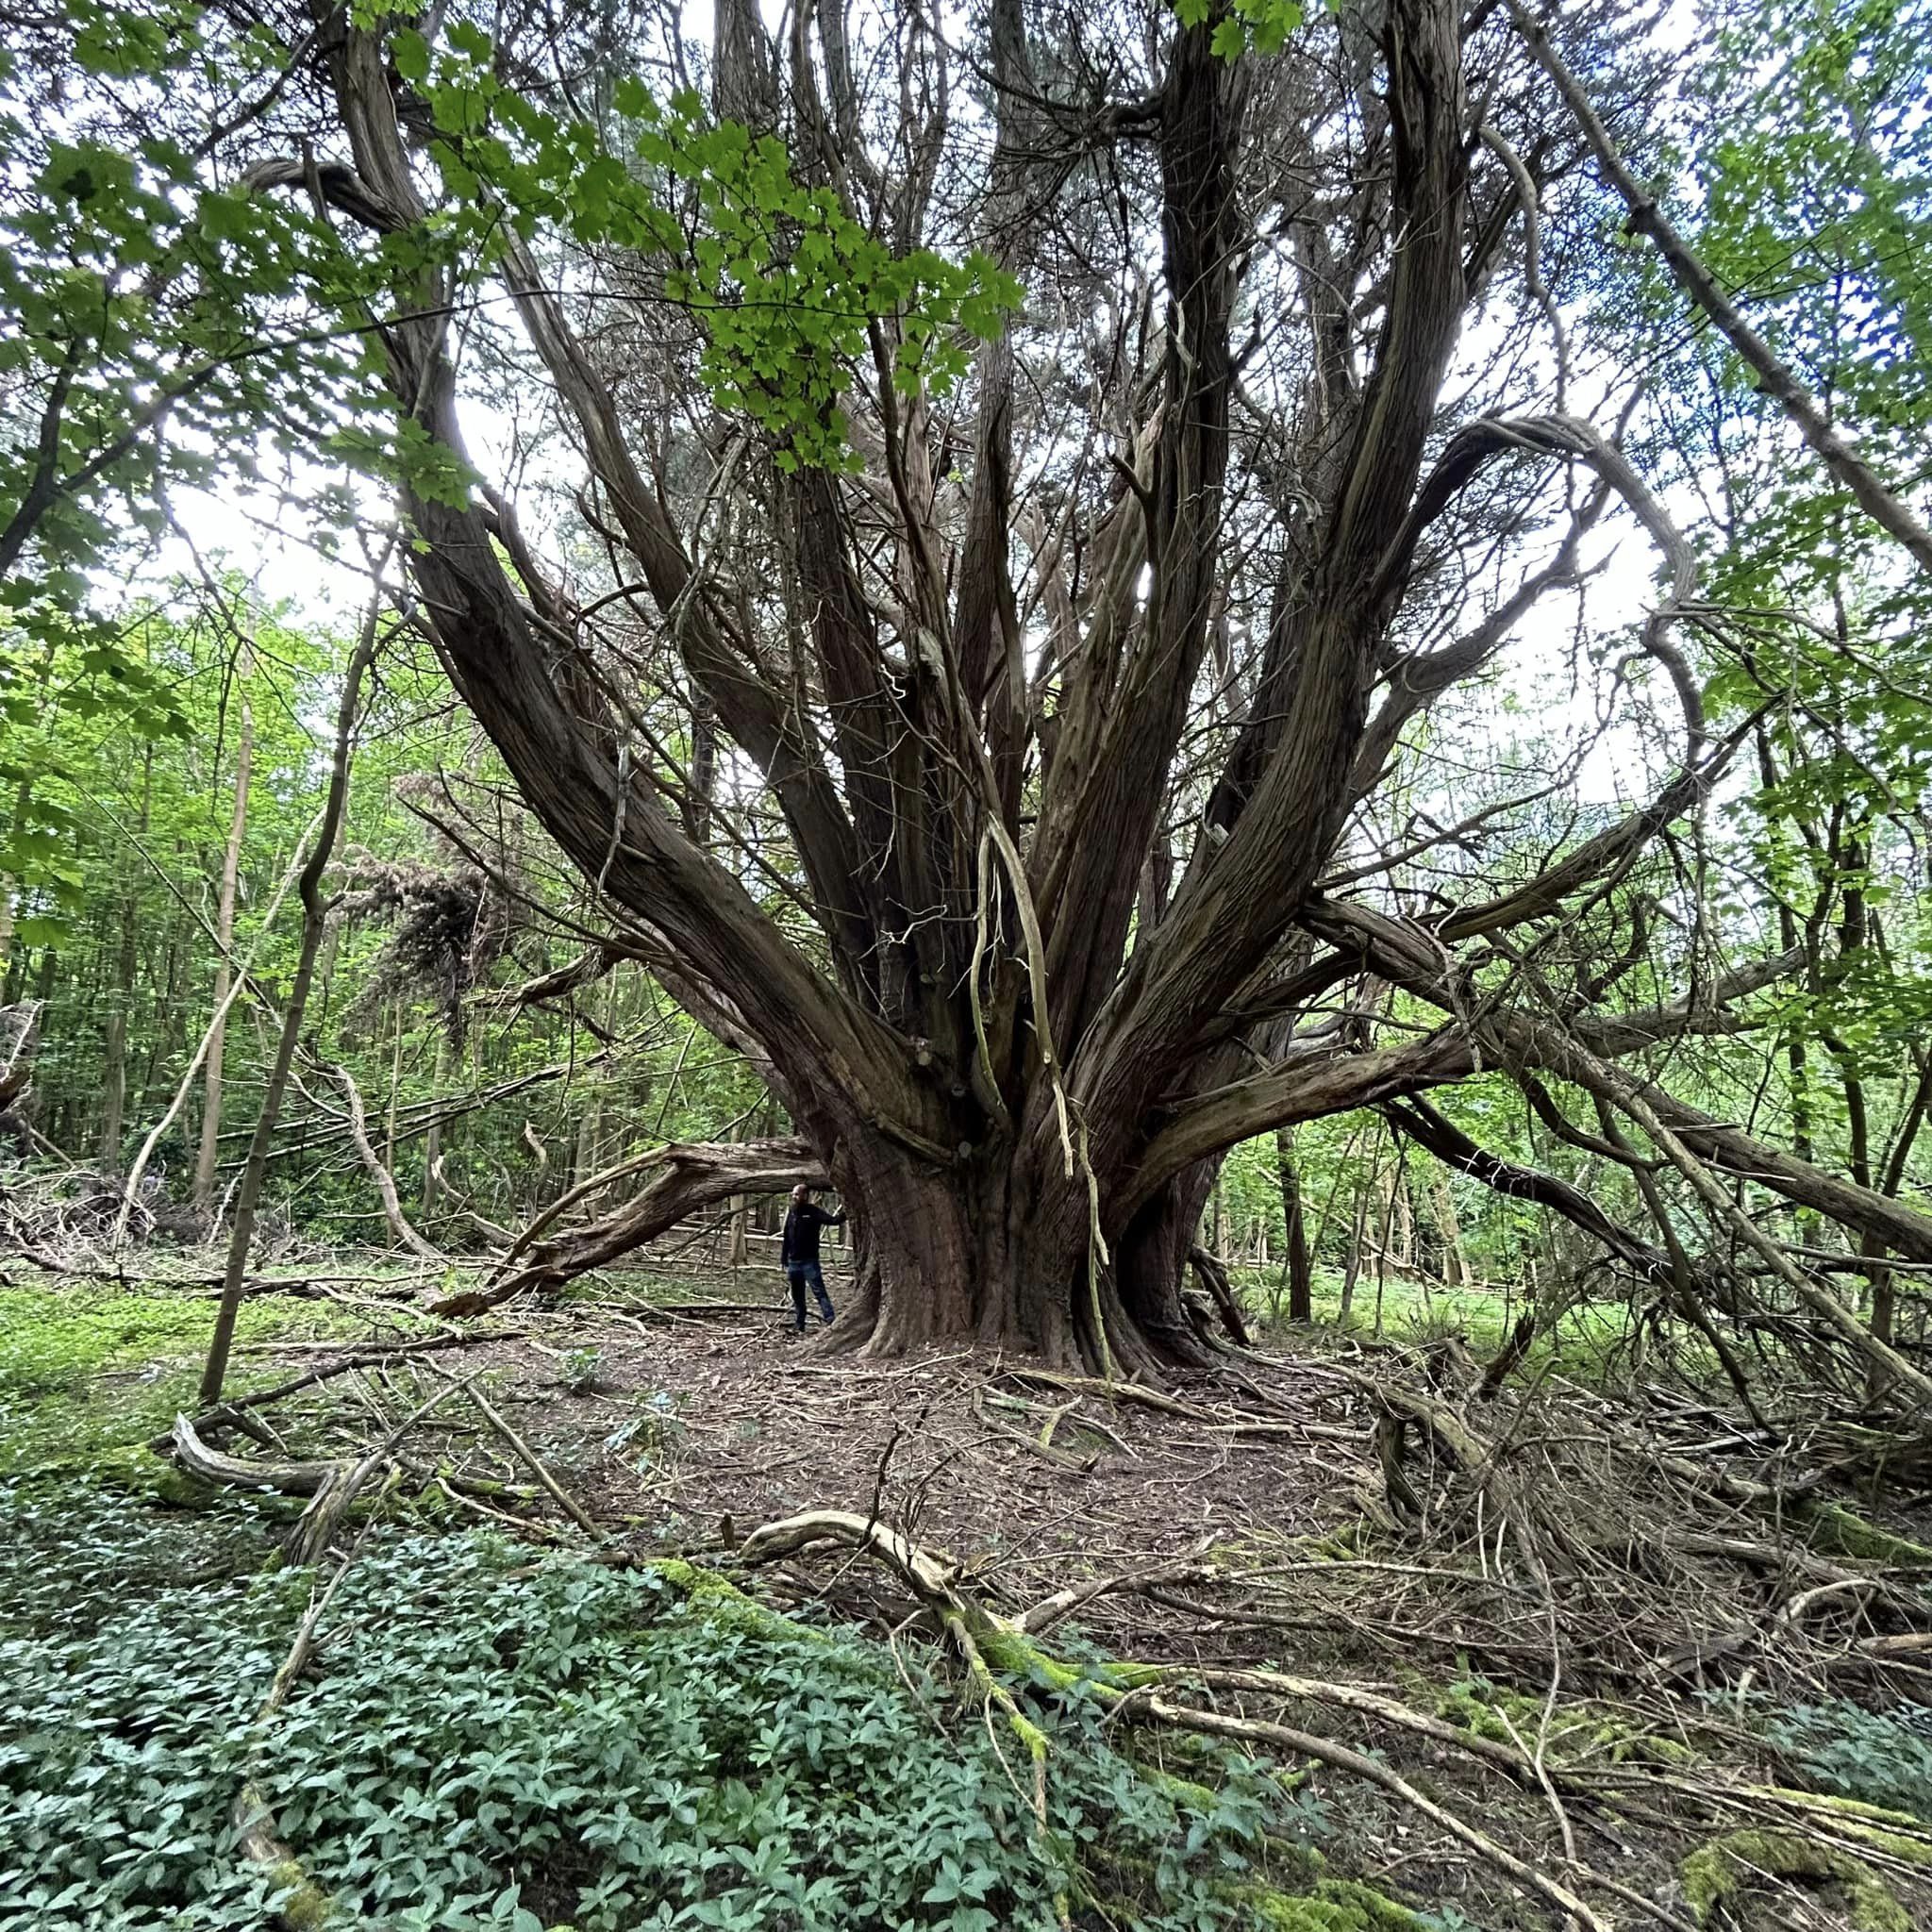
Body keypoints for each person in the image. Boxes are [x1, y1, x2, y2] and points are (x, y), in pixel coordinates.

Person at [780, 1183, 844, 1332]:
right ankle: (799, 1324)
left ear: (805, 1195)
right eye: (793, 1194)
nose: (794, 1197)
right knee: (797, 1295)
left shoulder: (813, 1212)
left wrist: (848, 1210)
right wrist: (784, 1258)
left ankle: (831, 1321)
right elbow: (786, 1237)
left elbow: (833, 1221)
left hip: (809, 1262)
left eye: (797, 1194)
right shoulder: (792, 1212)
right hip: (793, 1263)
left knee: (819, 1292)